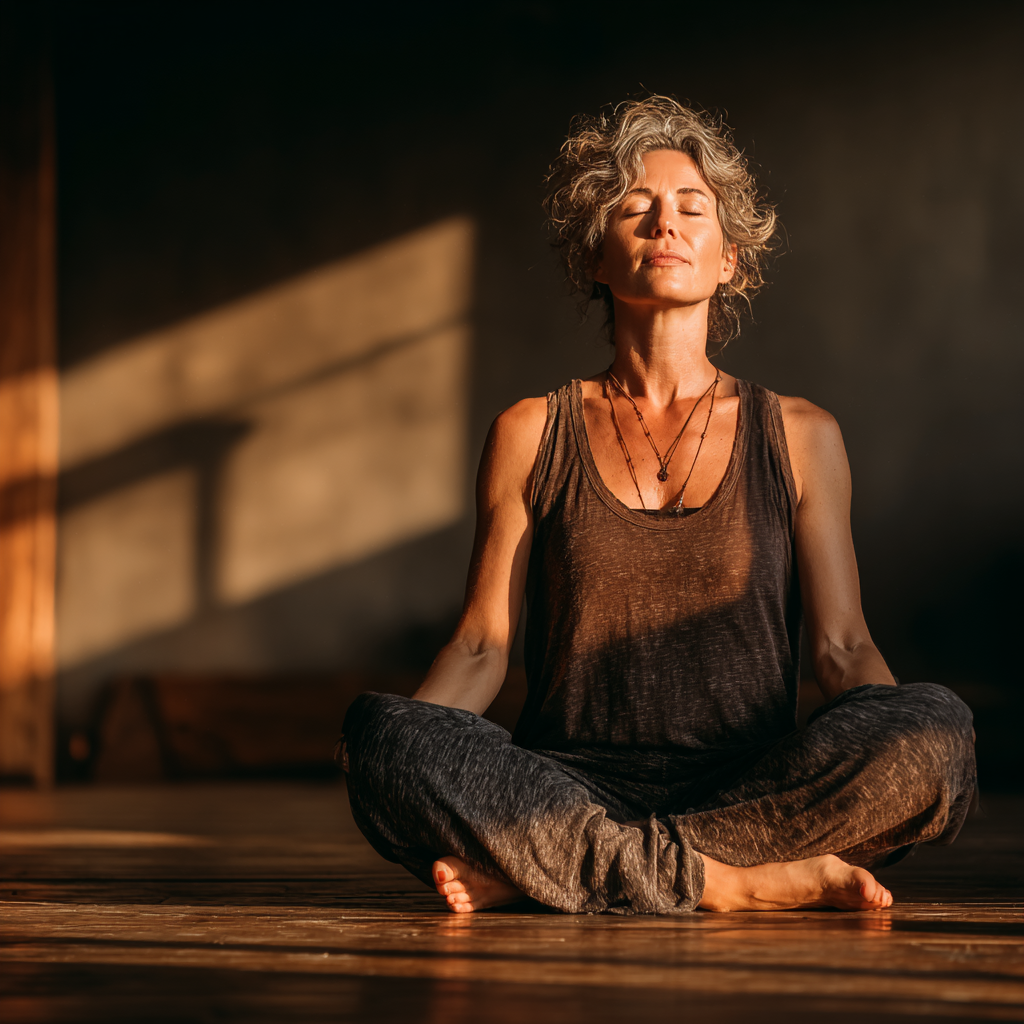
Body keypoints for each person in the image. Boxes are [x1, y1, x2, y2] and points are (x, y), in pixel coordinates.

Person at [339, 96, 976, 915]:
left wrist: (899, 757)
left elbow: (844, 648)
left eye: (691, 209)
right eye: (635, 209)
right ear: (595, 259)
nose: (663, 225)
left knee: (935, 729)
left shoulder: (803, 435)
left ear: (729, 261)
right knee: (379, 736)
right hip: (563, 788)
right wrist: (412, 765)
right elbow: (478, 648)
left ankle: (572, 873)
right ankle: (728, 885)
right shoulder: (531, 431)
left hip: (753, 785)